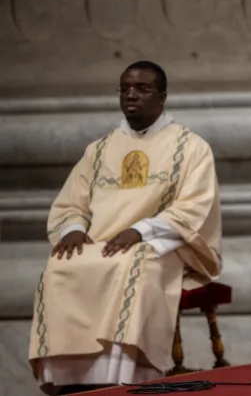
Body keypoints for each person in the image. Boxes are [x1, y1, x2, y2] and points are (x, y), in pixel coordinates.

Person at [28, 61, 222, 395]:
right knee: (59, 264)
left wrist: (142, 230)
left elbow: (195, 205)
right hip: (100, 242)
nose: (131, 95)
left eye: (142, 89)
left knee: (133, 265)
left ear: (162, 98)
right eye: (125, 89)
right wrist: (73, 227)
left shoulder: (190, 147)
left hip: (161, 244)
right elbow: (72, 201)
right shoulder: (99, 150)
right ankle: (69, 378)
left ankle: (121, 377)